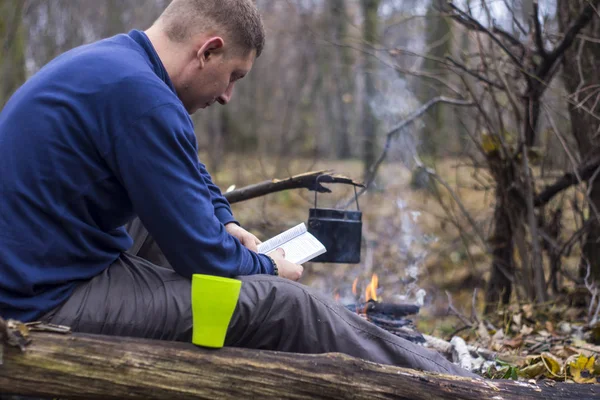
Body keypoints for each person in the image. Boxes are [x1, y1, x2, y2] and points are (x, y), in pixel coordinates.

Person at [0, 0, 474, 377]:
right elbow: (205, 260)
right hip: (41, 301)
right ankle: (456, 386)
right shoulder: (143, 99)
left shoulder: (120, 66)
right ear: (208, 50)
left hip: (38, 267)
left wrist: (225, 219)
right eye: (234, 76)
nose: (228, 96)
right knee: (286, 303)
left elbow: (183, 165)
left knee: (202, 239)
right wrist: (267, 265)